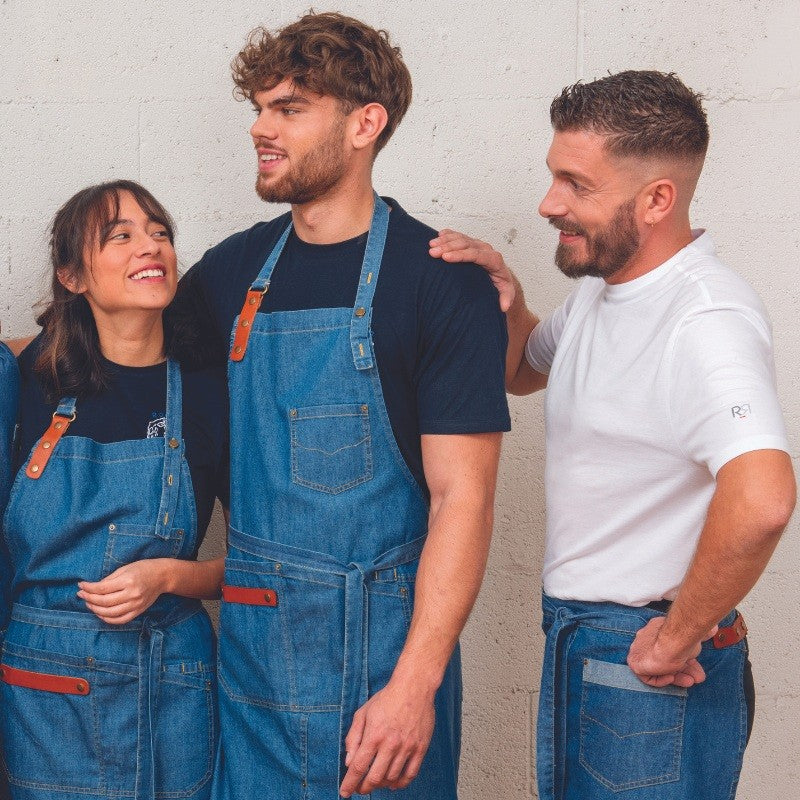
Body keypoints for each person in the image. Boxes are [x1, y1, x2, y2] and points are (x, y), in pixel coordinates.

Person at [429, 71, 796, 800]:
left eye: (576, 185)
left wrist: (677, 634)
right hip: (588, 645)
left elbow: (764, 500)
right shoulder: (605, 289)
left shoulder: (704, 320)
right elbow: (526, 368)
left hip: (645, 662)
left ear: (657, 198)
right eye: (551, 176)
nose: (548, 204)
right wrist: (505, 293)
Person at [171, 11, 509, 799]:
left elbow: (466, 497)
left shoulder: (439, 283)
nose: (261, 128)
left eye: (289, 109)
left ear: (365, 123)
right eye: (259, 108)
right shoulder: (230, 274)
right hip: (254, 667)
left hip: (384, 676)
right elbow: (111, 351)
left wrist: (415, 686)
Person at [0, 181, 229, 800]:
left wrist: (171, 578)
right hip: (45, 690)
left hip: (174, 686)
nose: (149, 247)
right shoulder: (21, 382)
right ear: (73, 275)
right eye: (120, 235)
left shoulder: (211, 391)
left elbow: (267, 557)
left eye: (160, 233)